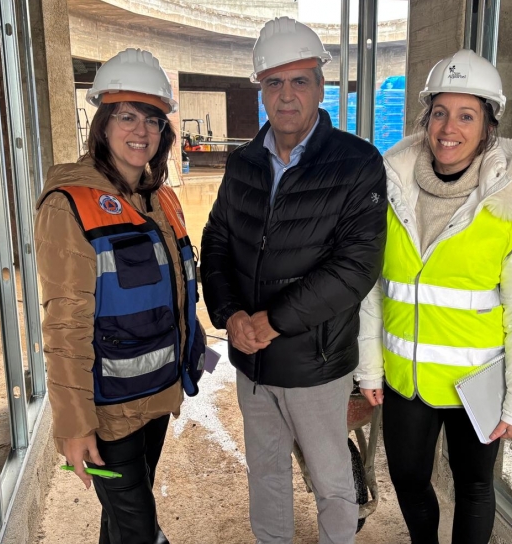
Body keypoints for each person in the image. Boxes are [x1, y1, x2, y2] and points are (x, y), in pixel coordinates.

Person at [356, 49, 512, 544]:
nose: (449, 128)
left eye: (467, 115)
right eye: (440, 113)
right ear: (426, 120)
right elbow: (374, 290)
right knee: (408, 480)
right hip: (407, 380)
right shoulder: (391, 190)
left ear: (489, 125)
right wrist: (369, 367)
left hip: (478, 382)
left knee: (473, 487)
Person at [200, 16, 387, 544]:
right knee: (266, 474)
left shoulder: (356, 163)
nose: (286, 95)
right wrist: (231, 315)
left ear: (321, 87)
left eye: (300, 80)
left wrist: (273, 321)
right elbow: (216, 241)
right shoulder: (243, 163)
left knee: (331, 481)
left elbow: (356, 266)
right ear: (260, 89)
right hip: (253, 362)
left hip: (315, 364)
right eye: (274, 82)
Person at [35, 48, 205, 544]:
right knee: (140, 531)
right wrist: (74, 425)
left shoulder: (162, 198)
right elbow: (65, 325)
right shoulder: (69, 205)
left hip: (156, 396)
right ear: (103, 123)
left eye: (152, 119)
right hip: (108, 412)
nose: (141, 131)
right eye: (127, 116)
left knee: (123, 524)